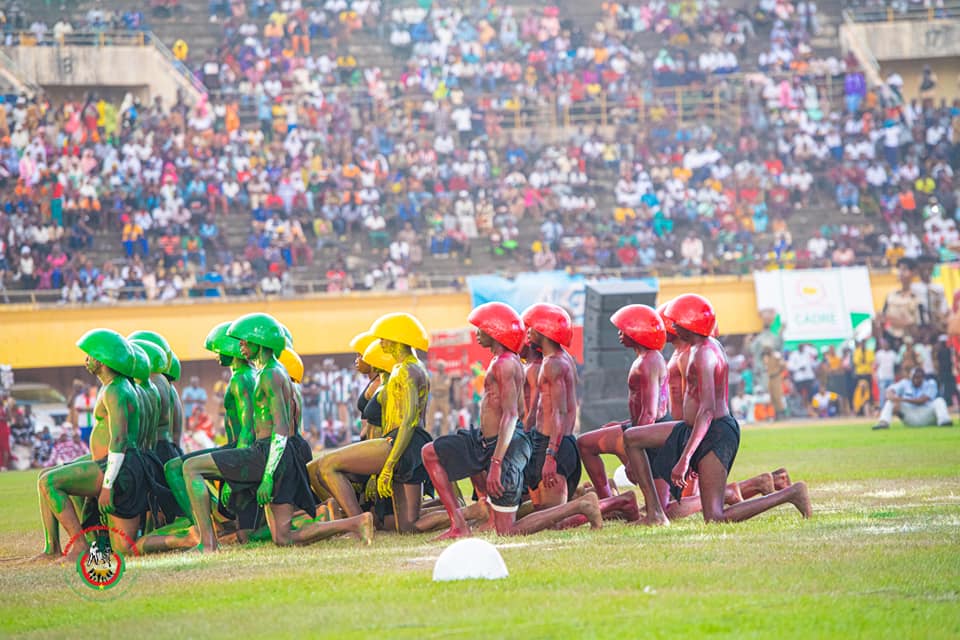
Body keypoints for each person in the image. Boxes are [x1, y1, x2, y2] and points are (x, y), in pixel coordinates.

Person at [183, 313, 373, 551]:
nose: (240, 345)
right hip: (276, 453)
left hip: (268, 453)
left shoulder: (270, 374)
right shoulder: (273, 371)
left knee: (190, 467)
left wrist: (268, 476)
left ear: (259, 342)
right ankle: (357, 522)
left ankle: (208, 543)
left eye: (244, 341)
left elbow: (281, 429)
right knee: (283, 537)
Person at [623, 294, 811, 524]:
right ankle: (655, 514)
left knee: (715, 517)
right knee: (632, 437)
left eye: (675, 322)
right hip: (694, 428)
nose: (671, 327)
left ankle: (791, 494)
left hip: (715, 432)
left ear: (688, 325)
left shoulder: (703, 354)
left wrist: (685, 458)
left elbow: (707, 412)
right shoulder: (699, 348)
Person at [426, 302, 602, 539]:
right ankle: (464, 521)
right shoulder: (520, 363)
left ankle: (582, 504)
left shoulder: (529, 364)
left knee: (516, 527)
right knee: (431, 453)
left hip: (539, 444)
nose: (477, 334)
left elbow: (524, 414)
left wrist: (502, 461)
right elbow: (524, 411)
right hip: (510, 441)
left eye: (481, 329)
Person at [32, 329, 147, 562]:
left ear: (103, 360)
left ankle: (80, 548)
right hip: (116, 465)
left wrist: (107, 484)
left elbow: (119, 439)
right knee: (122, 549)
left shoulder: (116, 389)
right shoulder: (115, 386)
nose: (86, 360)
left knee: (48, 481)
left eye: (91, 355)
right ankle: (65, 546)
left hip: (116, 468)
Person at [315, 313, 433, 533]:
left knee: (327, 464)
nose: (380, 343)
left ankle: (357, 523)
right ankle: (471, 513)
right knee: (408, 527)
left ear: (398, 340)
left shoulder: (406, 370)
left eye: (384, 338)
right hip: (409, 441)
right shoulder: (410, 368)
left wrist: (388, 465)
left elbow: (407, 421)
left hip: (401, 440)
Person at [577, 305, 666, 521]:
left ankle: (613, 502)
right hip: (641, 427)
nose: (619, 333)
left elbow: (650, 413)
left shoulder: (646, 362)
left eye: (624, 329)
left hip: (648, 431)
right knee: (586, 443)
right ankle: (608, 498)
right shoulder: (647, 359)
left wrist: (633, 455)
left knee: (667, 506)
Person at [521, 303, 583, 508]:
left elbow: (559, 412)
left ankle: (593, 504)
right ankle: (590, 498)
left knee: (550, 518)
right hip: (551, 442)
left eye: (531, 326)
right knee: (539, 512)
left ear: (544, 330)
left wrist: (551, 455)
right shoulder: (560, 358)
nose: (527, 331)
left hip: (554, 444)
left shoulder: (552, 363)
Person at [873, 367, 953, 430]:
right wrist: (893, 398)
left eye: (918, 377)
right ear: (910, 377)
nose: (916, 379)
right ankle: (883, 423)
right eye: (914, 377)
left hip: (927, 415)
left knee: (939, 401)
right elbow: (890, 390)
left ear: (923, 377)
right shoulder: (905, 383)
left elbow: (921, 400)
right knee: (890, 402)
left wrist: (900, 399)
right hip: (910, 417)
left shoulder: (930, 384)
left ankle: (944, 421)